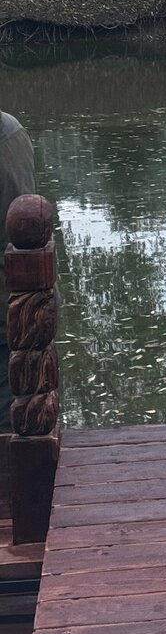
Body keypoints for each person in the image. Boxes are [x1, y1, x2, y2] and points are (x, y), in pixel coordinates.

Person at [0, 111, 38, 432]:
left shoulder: (6, 136)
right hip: (19, 315)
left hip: (11, 322)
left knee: (14, 432)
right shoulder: (10, 130)